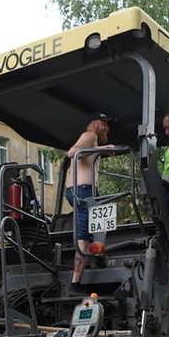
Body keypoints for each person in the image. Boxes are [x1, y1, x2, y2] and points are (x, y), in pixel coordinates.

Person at [66, 112, 116, 285]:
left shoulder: (93, 140)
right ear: (94, 124)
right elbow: (72, 153)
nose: (107, 128)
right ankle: (75, 283)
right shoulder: (90, 135)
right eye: (105, 124)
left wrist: (100, 151)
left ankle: (98, 254)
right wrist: (103, 149)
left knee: (101, 216)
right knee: (83, 237)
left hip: (84, 191)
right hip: (82, 191)